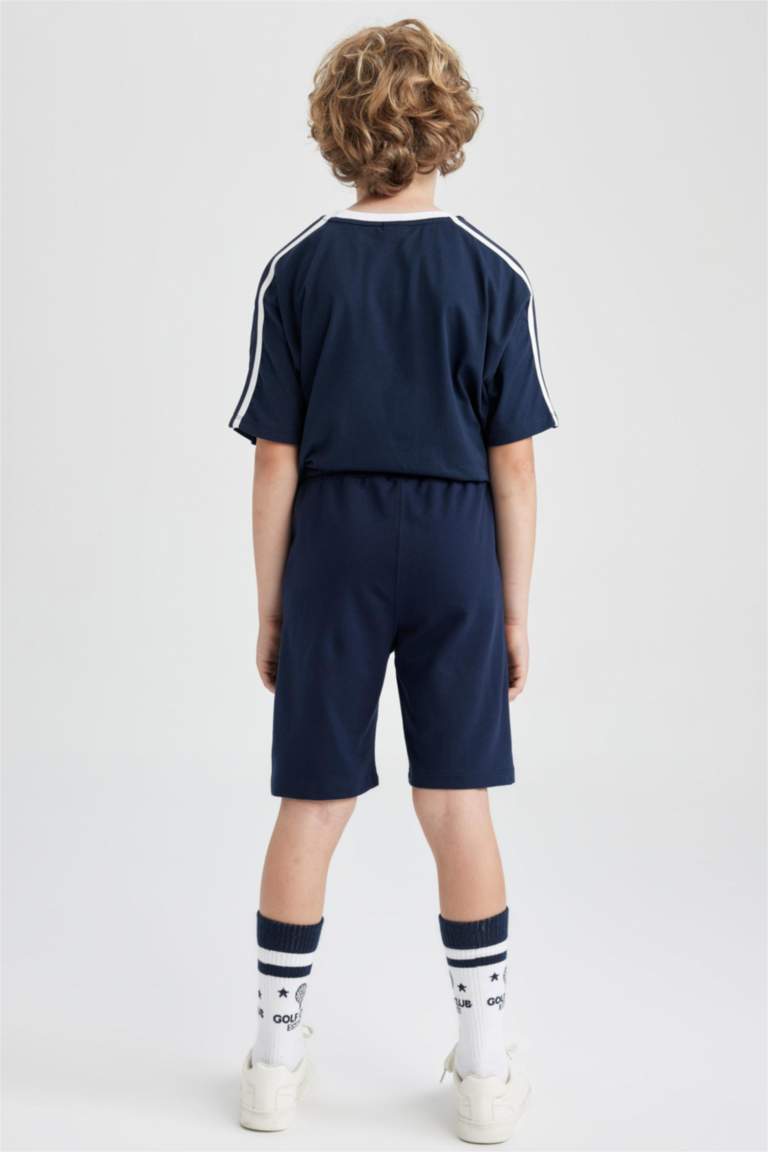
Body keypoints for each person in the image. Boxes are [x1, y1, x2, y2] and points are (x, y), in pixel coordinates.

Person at [229, 18, 557, 1144]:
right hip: (459, 542)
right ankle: (485, 1069)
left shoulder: (298, 270)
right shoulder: (492, 272)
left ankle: (274, 1063)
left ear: (336, 133)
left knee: (314, 801)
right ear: (449, 126)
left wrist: (273, 602)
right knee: (455, 801)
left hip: (334, 541)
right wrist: (514, 608)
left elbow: (275, 459)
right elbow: (515, 464)